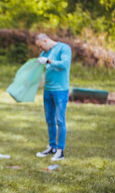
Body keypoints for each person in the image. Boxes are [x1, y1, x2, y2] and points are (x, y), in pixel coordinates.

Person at [35, 33, 72, 161]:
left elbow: (64, 64)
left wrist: (49, 61)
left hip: (60, 90)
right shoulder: (45, 52)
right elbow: (38, 66)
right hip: (48, 90)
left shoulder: (64, 48)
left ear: (45, 40)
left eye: (40, 46)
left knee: (60, 120)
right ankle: (52, 147)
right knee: (49, 119)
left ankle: (60, 150)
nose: (40, 50)